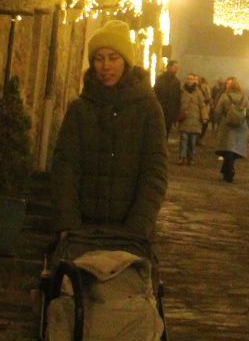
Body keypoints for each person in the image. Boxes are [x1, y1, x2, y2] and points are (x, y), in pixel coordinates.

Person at [50, 21, 168, 250]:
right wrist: (67, 221)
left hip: (128, 234)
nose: (106, 66)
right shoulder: (80, 108)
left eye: (113, 58)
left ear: (126, 61)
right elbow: (65, 166)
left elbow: (154, 171)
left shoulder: (147, 108)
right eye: (99, 58)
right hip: (81, 232)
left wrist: (139, 225)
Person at [212, 78, 249, 183]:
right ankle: (228, 170)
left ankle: (229, 171)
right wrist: (246, 122)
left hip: (227, 125)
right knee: (234, 149)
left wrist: (217, 121)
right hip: (240, 126)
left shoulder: (225, 96)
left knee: (228, 148)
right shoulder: (244, 98)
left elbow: (218, 111)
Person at [176, 77, 207, 166]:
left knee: (192, 141)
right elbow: (177, 104)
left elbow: (202, 105)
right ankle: (182, 157)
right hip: (184, 119)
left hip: (195, 120)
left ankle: (191, 158)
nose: (190, 81)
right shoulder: (181, 92)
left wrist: (204, 117)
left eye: (192, 79)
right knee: (184, 140)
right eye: (188, 79)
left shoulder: (198, 92)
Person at [154, 61, 183, 142]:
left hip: (170, 112)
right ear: (169, 67)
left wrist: (176, 113)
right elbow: (155, 93)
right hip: (160, 109)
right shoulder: (160, 79)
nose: (176, 69)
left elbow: (177, 98)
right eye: (175, 67)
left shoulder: (176, 82)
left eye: (177, 68)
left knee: (166, 131)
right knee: (158, 131)